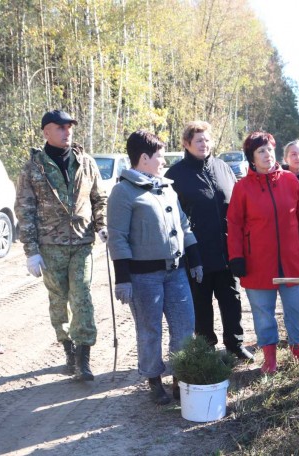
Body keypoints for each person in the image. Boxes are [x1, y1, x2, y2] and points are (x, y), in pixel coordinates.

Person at [107, 130, 201, 405]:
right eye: (159, 156)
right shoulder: (122, 192)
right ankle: (153, 379)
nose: (163, 161)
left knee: (184, 327)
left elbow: (184, 225)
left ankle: (180, 378)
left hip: (176, 272)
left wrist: (194, 259)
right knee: (150, 330)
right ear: (144, 158)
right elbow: (118, 238)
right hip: (143, 277)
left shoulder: (166, 187)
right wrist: (122, 278)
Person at [15, 109, 107, 381]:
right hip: (50, 245)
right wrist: (31, 251)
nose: (67, 132)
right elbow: (25, 210)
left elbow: (99, 197)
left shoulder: (85, 162)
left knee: (82, 295)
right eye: (60, 127)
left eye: (70, 127)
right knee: (59, 300)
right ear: (46, 132)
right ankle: (67, 347)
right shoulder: (33, 168)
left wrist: (101, 225)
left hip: (81, 242)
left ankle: (83, 358)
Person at [165, 121, 252, 361]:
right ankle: (206, 348)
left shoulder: (223, 168)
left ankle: (235, 344)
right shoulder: (175, 175)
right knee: (201, 303)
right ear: (186, 143)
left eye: (207, 140)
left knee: (231, 299)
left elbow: (236, 207)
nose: (204, 144)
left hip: (226, 250)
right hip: (197, 252)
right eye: (198, 140)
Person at [227, 131, 299, 374]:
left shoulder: (289, 180)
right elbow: (234, 224)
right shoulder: (242, 188)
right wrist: (237, 257)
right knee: (263, 314)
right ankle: (270, 359)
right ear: (252, 158)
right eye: (261, 151)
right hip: (257, 263)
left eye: (269, 149)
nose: (267, 155)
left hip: (293, 260)